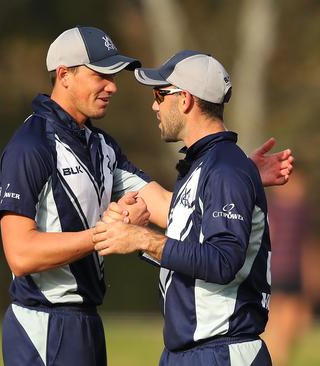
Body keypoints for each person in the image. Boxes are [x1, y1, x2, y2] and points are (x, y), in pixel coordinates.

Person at [0, 27, 293, 366]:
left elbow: (174, 212)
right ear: (64, 75)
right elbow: (20, 255)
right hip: (43, 322)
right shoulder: (30, 145)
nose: (112, 86)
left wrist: (237, 176)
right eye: (101, 75)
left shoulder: (102, 147)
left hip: (87, 322)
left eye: (114, 75)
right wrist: (106, 236)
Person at [92, 50, 273, 365]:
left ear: (185, 99)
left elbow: (223, 261)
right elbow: (190, 252)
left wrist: (143, 239)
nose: (154, 105)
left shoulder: (225, 169)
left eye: (160, 95)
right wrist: (136, 234)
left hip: (222, 353)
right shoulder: (203, 166)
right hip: (191, 353)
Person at [262, 170, 320, 366]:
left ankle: (277, 357)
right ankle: (275, 359)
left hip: (296, 273)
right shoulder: (270, 209)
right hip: (274, 273)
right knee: (276, 325)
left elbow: (312, 245)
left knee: (298, 323)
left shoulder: (304, 212)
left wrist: (318, 273)